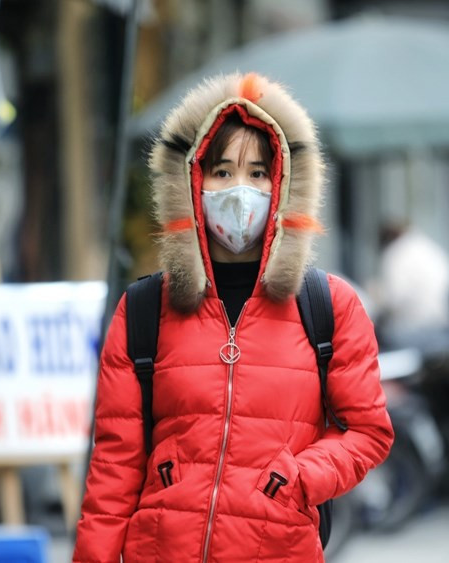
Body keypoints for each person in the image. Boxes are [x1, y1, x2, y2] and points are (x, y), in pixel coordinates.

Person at [73, 73, 394, 562]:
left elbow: (368, 430)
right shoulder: (143, 311)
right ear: (192, 181)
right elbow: (114, 464)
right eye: (222, 171)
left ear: (284, 184)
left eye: (258, 173)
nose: (239, 191)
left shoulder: (329, 306)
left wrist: (298, 478)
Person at [370, 220, 449, 345]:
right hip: (443, 325)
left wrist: (376, 295)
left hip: (414, 329)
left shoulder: (396, 253)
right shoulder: (427, 247)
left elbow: (393, 298)